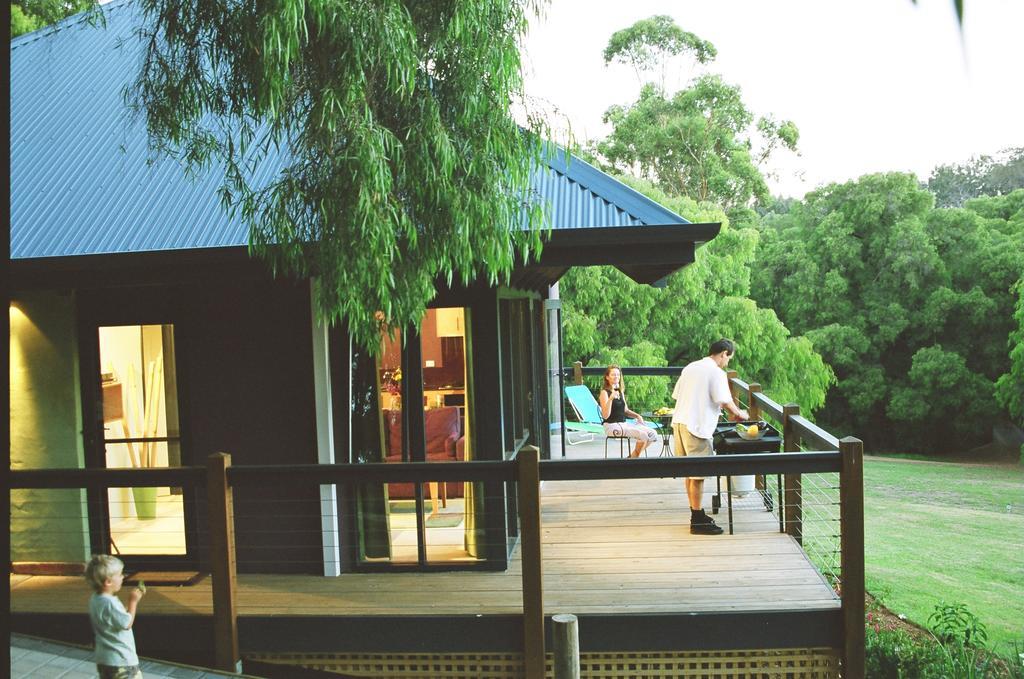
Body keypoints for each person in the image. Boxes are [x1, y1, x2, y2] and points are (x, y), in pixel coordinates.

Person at [671, 339, 749, 535]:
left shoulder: (691, 367)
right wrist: (741, 414)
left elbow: (678, 394)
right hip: (696, 427)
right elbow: (724, 400)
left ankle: (696, 512)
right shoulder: (716, 372)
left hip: (679, 422)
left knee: (689, 472)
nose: (727, 362)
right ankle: (697, 521)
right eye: (728, 358)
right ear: (723, 353)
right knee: (698, 474)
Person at [85, 554, 145, 679]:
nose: (123, 577)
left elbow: (117, 619)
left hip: (105, 659)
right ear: (108, 581)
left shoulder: (95, 599)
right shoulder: (110, 603)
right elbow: (126, 623)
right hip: (121, 660)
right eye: (120, 575)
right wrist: (133, 602)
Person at [599, 365, 658, 458]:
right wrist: (610, 399)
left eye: (618, 375)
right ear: (607, 377)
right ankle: (633, 460)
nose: (616, 377)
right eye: (613, 374)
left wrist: (637, 416)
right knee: (643, 435)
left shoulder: (620, 392)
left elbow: (625, 410)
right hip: (611, 426)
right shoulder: (604, 393)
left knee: (653, 434)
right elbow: (605, 416)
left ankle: (632, 458)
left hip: (624, 424)